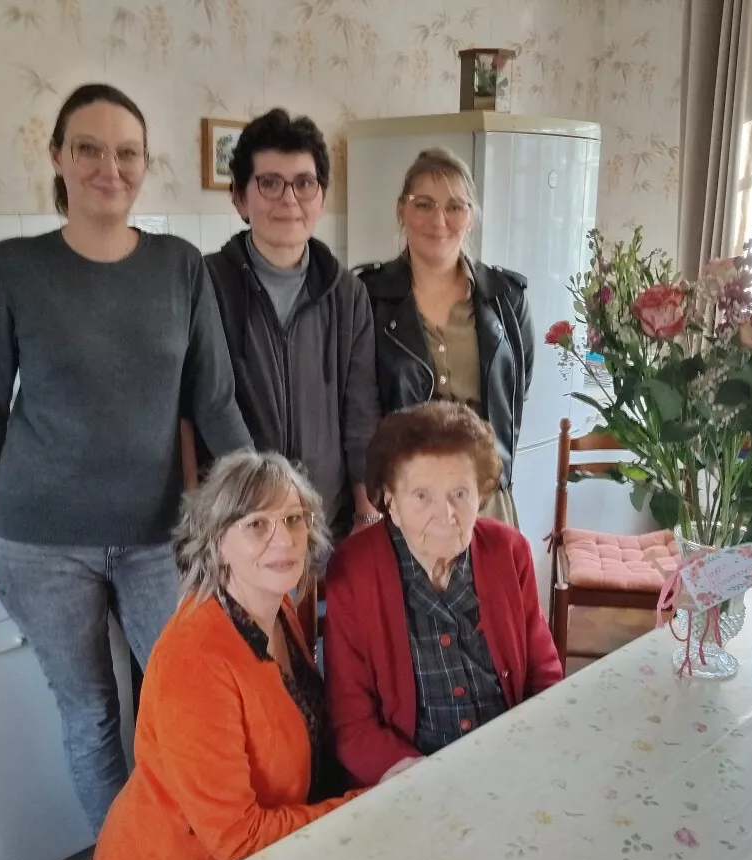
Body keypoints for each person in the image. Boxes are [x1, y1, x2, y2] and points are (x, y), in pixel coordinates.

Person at [0, 83, 251, 834]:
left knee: (180, 701)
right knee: (90, 715)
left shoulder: (181, 267)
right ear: (58, 156)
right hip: (39, 541)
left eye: (126, 152)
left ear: (146, 165)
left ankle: (189, 852)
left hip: (156, 538)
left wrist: (265, 503)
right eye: (88, 148)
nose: (107, 167)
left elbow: (213, 403)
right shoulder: (11, 269)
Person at [93, 450, 361, 860]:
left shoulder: (277, 608)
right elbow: (238, 839)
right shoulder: (194, 659)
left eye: (293, 519)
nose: (283, 538)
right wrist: (358, 806)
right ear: (217, 544)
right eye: (257, 525)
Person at [323, 402, 563, 787]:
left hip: (510, 762)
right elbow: (351, 724)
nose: (445, 515)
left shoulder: (507, 551)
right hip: (408, 780)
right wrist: (427, 783)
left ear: (480, 496)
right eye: (421, 496)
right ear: (390, 502)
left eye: (459, 494)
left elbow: (543, 675)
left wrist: (527, 754)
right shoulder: (354, 571)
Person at [203, 108, 381, 537]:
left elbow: (360, 412)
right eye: (269, 183)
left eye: (304, 183)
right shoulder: (206, 284)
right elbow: (201, 409)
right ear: (240, 199)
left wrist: (365, 513)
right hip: (238, 521)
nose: (289, 199)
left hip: (325, 521)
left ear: (321, 196)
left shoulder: (348, 292)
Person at [356, 147, 534, 526]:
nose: (439, 220)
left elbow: (516, 392)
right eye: (424, 204)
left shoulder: (506, 298)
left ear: (471, 217)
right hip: (403, 495)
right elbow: (357, 404)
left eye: (455, 206)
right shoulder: (368, 296)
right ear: (401, 211)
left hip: (484, 495)